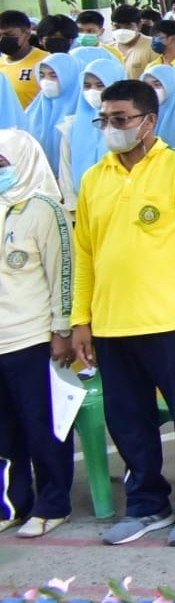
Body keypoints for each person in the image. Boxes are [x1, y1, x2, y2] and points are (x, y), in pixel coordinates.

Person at [69, 78, 175, 547]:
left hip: (171, 324)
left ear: (148, 121)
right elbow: (85, 255)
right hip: (113, 323)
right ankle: (146, 503)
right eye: (105, 120)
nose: (111, 128)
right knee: (128, 420)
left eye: (121, 119)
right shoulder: (95, 178)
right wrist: (81, 319)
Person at [0, 131, 73, 537]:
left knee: (42, 424)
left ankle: (53, 503)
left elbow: (63, 273)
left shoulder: (45, 209)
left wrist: (61, 329)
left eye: (2, 164)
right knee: (4, 430)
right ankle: (13, 503)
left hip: (31, 337)